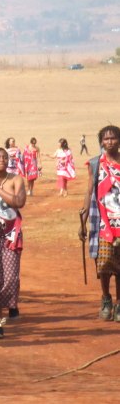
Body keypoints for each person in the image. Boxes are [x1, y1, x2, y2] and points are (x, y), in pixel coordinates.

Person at [0, 147, 26, 336]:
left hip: (10, 233)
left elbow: (18, 202)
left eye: (5, 157)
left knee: (10, 277)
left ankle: (11, 303)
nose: (1, 159)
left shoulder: (15, 179)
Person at [80, 125, 120, 321]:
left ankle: (119, 304)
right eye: (106, 139)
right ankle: (106, 298)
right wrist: (83, 220)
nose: (110, 141)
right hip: (103, 221)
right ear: (101, 142)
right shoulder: (95, 164)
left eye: (113, 138)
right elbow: (89, 192)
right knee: (103, 264)